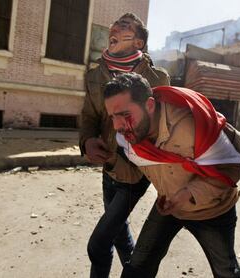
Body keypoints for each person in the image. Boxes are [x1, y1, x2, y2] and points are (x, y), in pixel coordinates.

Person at [103, 72, 240, 278]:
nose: (116, 126)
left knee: (227, 272)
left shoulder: (192, 123)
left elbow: (232, 166)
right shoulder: (130, 136)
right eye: (112, 116)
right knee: (137, 268)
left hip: (213, 211)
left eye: (124, 115)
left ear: (149, 105)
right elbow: (135, 171)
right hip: (169, 207)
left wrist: (187, 193)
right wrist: (107, 158)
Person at [79, 13, 170, 278]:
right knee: (118, 234)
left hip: (136, 172)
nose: (116, 28)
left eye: (126, 27)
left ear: (138, 42)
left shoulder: (157, 78)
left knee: (98, 244)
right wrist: (87, 142)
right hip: (108, 167)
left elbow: (161, 129)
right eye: (116, 25)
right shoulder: (95, 76)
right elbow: (89, 116)